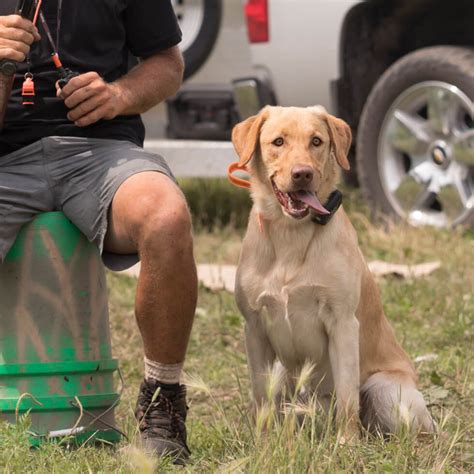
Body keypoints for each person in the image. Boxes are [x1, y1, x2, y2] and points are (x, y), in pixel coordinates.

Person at [0, 0, 197, 464]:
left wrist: (119, 95)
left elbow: (167, 63)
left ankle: (163, 402)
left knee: (166, 217)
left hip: (102, 150)